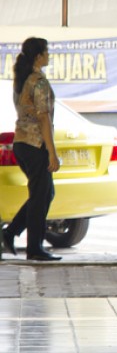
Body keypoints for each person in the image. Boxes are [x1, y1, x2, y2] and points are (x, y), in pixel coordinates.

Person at [2, 38, 62, 261]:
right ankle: (34, 248)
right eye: (46, 52)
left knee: (45, 193)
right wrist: (52, 153)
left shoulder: (22, 79)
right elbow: (44, 118)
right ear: (38, 56)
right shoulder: (38, 82)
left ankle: (9, 233)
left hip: (22, 143)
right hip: (36, 144)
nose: (49, 56)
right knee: (40, 196)